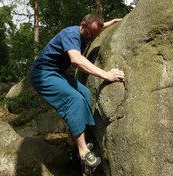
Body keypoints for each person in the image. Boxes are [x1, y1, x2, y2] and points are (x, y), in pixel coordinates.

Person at [30, 14, 125, 168]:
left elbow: (96, 28)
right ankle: (83, 151)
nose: (92, 38)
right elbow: (76, 59)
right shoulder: (71, 35)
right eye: (90, 34)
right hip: (43, 74)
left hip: (57, 74)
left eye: (95, 35)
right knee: (75, 99)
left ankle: (71, 141)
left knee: (85, 94)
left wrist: (112, 22)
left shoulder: (87, 30)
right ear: (82, 25)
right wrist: (106, 75)